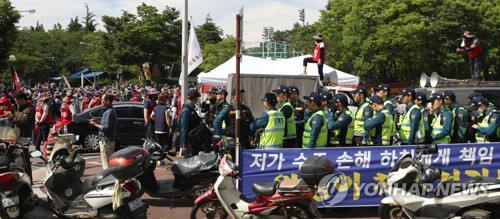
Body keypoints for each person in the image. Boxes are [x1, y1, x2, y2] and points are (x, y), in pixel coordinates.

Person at [6, 91, 35, 180]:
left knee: (25, 159)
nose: (17, 102)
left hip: (24, 137)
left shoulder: (28, 110)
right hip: (16, 137)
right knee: (12, 156)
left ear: (22, 100)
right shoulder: (19, 109)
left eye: (17, 100)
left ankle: (29, 178)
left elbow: (22, 121)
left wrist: (11, 116)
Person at [88, 94, 117, 169]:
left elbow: (105, 128)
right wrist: (97, 121)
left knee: (107, 163)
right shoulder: (108, 111)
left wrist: (95, 124)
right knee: (109, 161)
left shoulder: (109, 112)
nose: (101, 102)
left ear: (107, 101)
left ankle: (109, 178)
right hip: (107, 139)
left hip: (106, 140)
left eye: (102, 100)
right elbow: (105, 124)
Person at [179, 89, 203, 157]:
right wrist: (184, 144)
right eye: (197, 98)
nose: (198, 99)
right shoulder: (187, 110)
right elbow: (184, 128)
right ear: (194, 98)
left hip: (192, 140)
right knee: (190, 163)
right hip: (189, 142)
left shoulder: (190, 108)